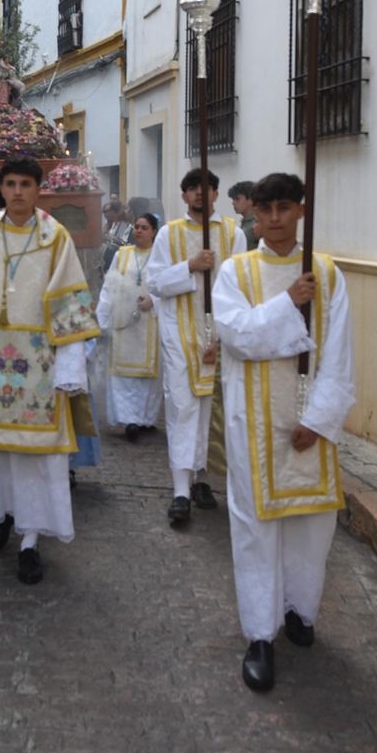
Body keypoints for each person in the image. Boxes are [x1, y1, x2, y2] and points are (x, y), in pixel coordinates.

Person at [213, 172, 354, 693]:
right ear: (254, 216)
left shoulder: (328, 274)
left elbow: (340, 354)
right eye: (265, 210)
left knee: (311, 524)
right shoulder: (236, 271)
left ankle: (300, 609)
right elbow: (236, 335)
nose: (273, 219)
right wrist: (288, 302)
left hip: (307, 422)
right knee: (256, 526)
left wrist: (318, 420)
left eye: (284, 208)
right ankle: (259, 632)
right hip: (252, 421)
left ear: (301, 210)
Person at [0, 158, 100, 584]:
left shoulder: (56, 237)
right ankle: (0, 514)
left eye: (26, 184)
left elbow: (71, 303)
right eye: (10, 184)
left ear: (39, 190)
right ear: (0, 189)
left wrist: (69, 368)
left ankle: (31, 538)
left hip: (37, 364)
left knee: (36, 458)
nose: (17, 191)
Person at [145, 168, 244, 526]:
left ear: (216, 194)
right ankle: (180, 490)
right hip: (180, 336)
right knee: (183, 408)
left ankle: (204, 477)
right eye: (192, 189)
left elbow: (240, 289)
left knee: (215, 410)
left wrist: (222, 336)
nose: (200, 195)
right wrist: (189, 266)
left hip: (221, 335)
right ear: (184, 196)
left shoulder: (234, 234)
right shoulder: (168, 235)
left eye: (207, 188)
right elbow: (153, 281)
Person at [96, 213, 163, 441]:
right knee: (122, 375)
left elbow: (167, 286)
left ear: (154, 231)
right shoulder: (122, 255)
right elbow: (109, 286)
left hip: (150, 323)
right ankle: (129, 420)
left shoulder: (160, 256)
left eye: (144, 227)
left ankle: (146, 419)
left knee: (148, 376)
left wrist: (154, 300)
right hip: (123, 322)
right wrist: (101, 319)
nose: (139, 231)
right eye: (137, 227)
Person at [228, 181, 257, 250]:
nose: (233, 203)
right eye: (233, 199)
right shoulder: (244, 223)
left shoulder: (259, 224)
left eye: (237, 199)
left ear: (251, 200)